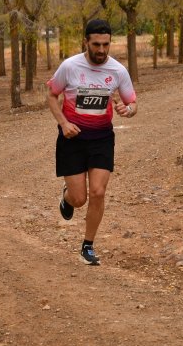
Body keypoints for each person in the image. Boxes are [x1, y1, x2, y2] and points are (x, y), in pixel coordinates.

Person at [46, 19, 138, 266]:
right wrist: (63, 123)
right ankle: (67, 197)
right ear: (86, 41)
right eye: (96, 44)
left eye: (106, 44)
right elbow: (52, 95)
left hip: (101, 139)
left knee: (98, 192)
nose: (101, 50)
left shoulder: (118, 71)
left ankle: (87, 246)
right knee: (80, 199)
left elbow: (133, 103)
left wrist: (127, 110)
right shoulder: (69, 67)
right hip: (72, 139)